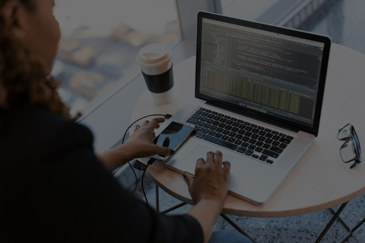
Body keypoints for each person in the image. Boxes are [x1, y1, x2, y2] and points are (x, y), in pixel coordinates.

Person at [0, 0, 253, 242]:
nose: (57, 26)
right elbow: (166, 238)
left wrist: (124, 151)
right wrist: (209, 199)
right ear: (16, 18)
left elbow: (54, 180)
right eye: (52, 9)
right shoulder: (47, 142)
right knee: (233, 239)